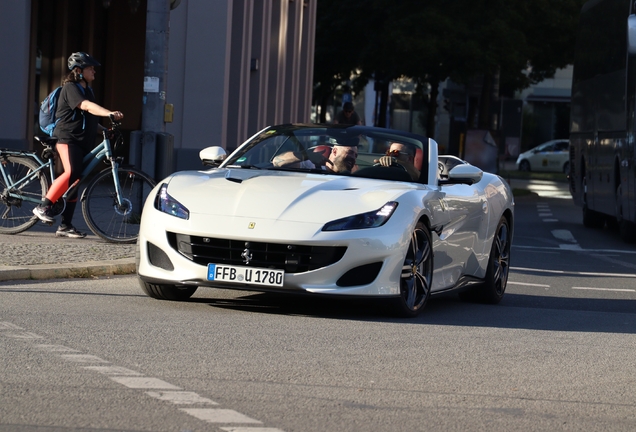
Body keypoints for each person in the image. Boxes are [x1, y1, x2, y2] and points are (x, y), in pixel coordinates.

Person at [32, 52, 124, 238]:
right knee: (71, 172)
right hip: (68, 139)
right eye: (91, 68)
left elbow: (89, 117)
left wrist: (104, 130)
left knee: (75, 181)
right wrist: (109, 113)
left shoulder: (87, 90)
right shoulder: (71, 88)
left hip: (82, 141)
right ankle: (43, 206)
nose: (94, 72)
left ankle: (65, 226)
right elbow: (86, 106)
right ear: (79, 71)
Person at [273, 140, 359, 173]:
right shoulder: (310, 165)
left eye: (355, 155)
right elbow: (277, 161)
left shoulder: (354, 177)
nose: (353, 158)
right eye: (350, 152)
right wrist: (307, 156)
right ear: (335, 151)